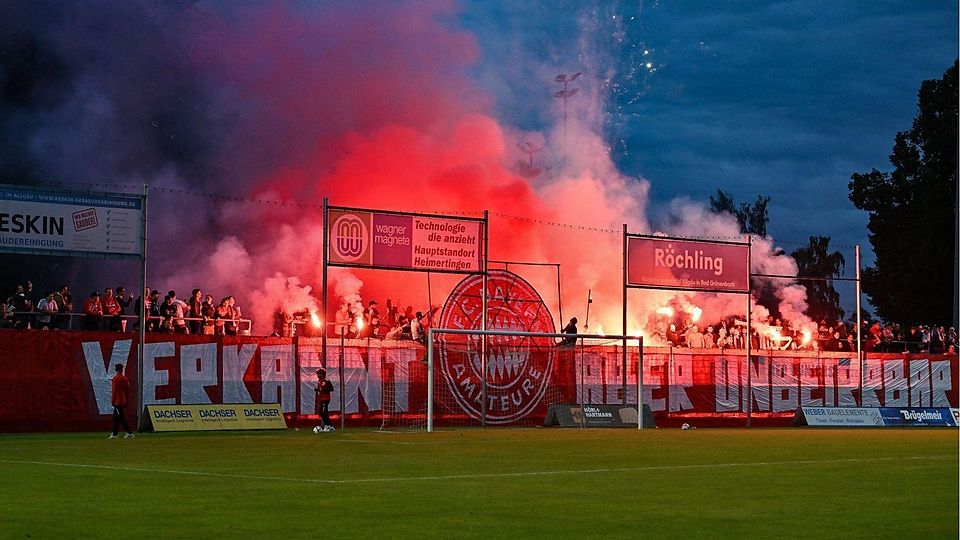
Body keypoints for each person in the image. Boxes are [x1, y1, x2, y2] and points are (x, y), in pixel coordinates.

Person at [109, 363, 135, 439]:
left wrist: (113, 401)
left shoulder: (115, 379)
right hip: (123, 401)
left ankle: (129, 432)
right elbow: (127, 391)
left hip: (117, 401)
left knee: (121, 418)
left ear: (116, 370)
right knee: (116, 418)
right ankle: (115, 433)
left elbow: (114, 391)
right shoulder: (125, 379)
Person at [314, 368, 335, 432]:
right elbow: (320, 389)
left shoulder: (326, 380)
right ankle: (329, 425)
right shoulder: (319, 381)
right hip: (321, 398)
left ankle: (328, 425)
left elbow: (331, 389)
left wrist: (324, 389)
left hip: (326, 399)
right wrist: (318, 389)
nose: (317, 375)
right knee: (322, 412)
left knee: (323, 412)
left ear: (322, 374)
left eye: (319, 374)